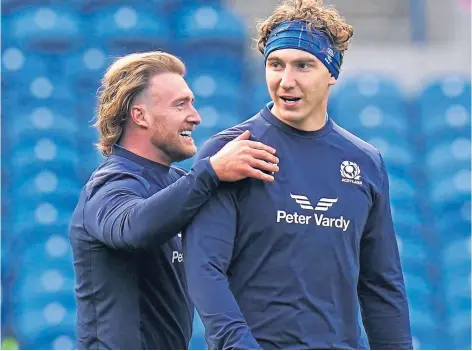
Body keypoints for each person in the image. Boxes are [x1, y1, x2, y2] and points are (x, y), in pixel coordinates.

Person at [182, 0, 413, 349]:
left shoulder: (365, 162)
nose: (286, 81)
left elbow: (381, 284)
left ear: (331, 73)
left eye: (303, 65)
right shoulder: (230, 151)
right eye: (276, 65)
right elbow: (204, 269)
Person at [68, 51, 280, 350]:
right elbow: (135, 228)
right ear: (140, 115)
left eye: (191, 103)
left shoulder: (180, 183)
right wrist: (211, 171)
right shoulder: (108, 186)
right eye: (181, 105)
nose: (195, 117)